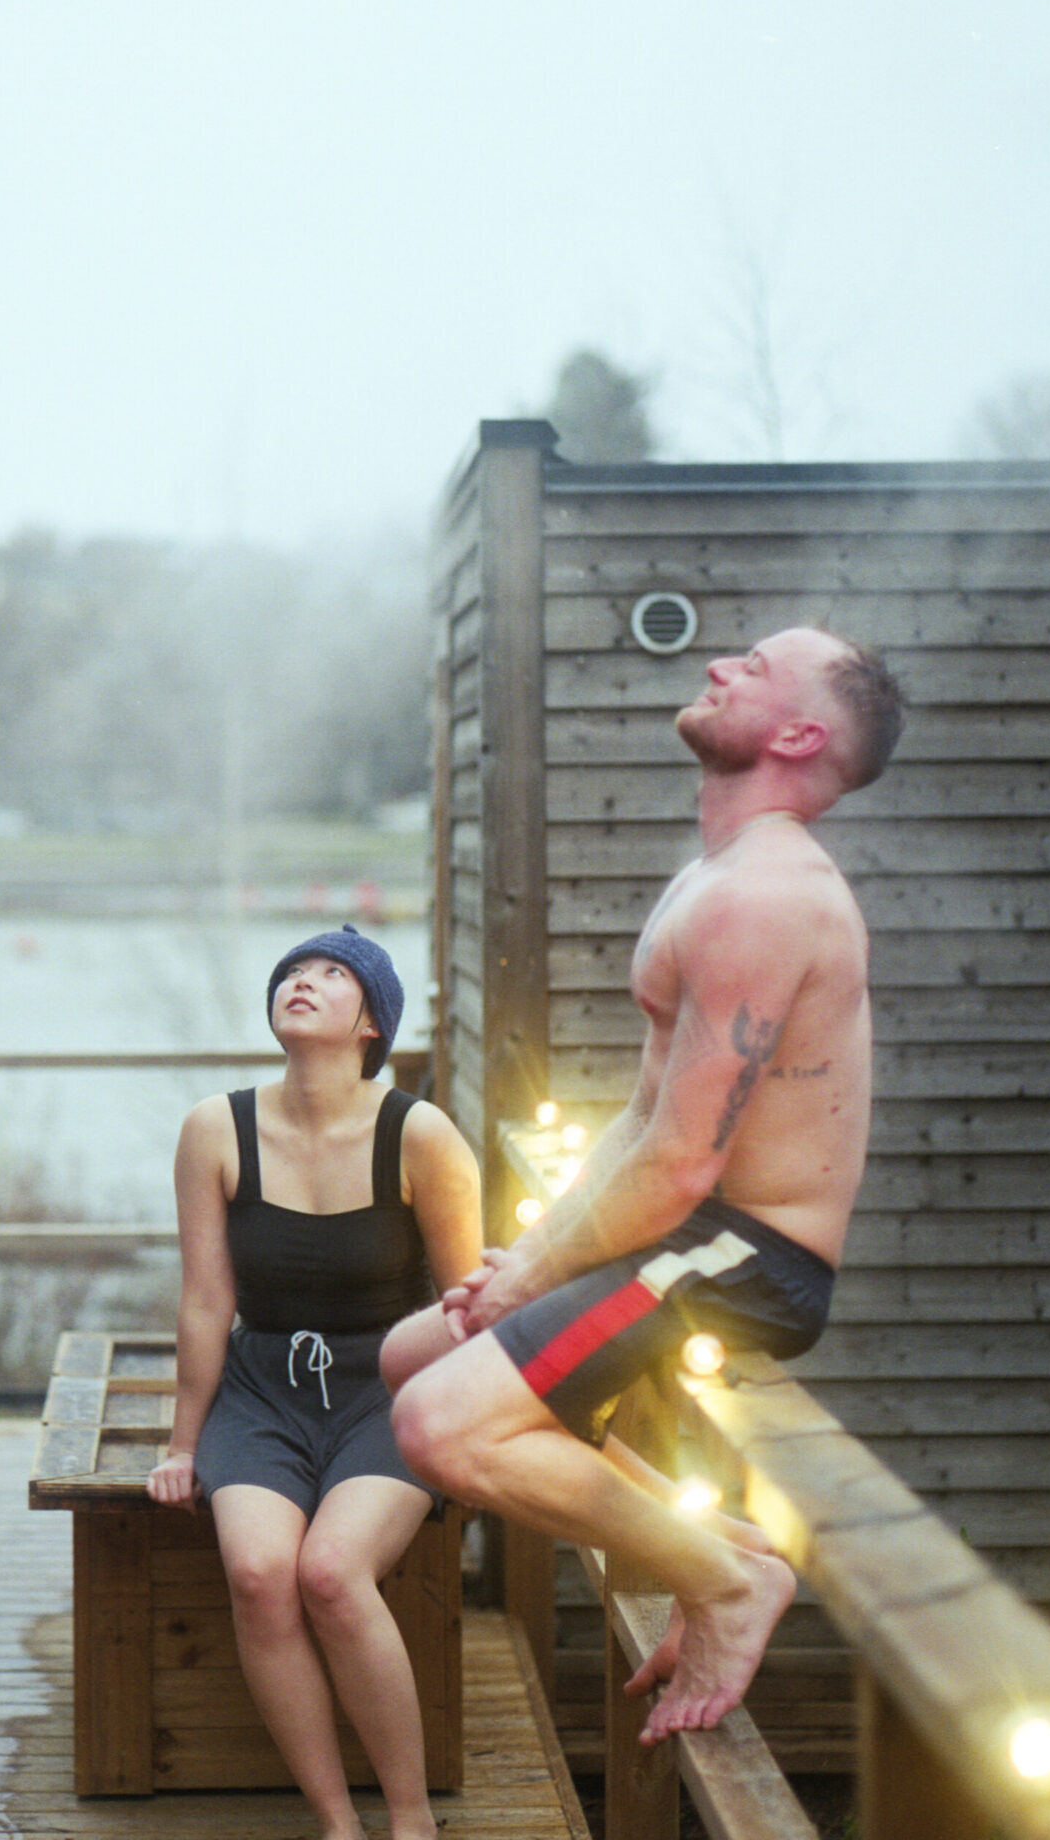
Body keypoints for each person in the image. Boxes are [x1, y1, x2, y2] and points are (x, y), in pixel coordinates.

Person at [385, 625, 906, 1747]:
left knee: (436, 1422)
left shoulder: (763, 898)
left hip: (746, 1253)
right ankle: (719, 1540)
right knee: (411, 1352)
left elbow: (682, 1161)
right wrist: (522, 1263)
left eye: (756, 667)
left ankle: (722, 1576)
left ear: (799, 732)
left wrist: (531, 1263)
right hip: (685, 1228)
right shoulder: (713, 876)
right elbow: (639, 1119)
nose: (722, 665)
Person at [147, 925, 481, 1840]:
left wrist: (469, 1429)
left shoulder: (422, 1135)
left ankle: (410, 1821)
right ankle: (336, 1821)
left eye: (334, 975)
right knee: (259, 1573)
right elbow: (207, 1299)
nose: (304, 981)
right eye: (292, 971)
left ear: (371, 1021)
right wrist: (183, 1444)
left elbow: (467, 1305)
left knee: (332, 1574)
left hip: (389, 1389)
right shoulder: (214, 1129)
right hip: (263, 1390)